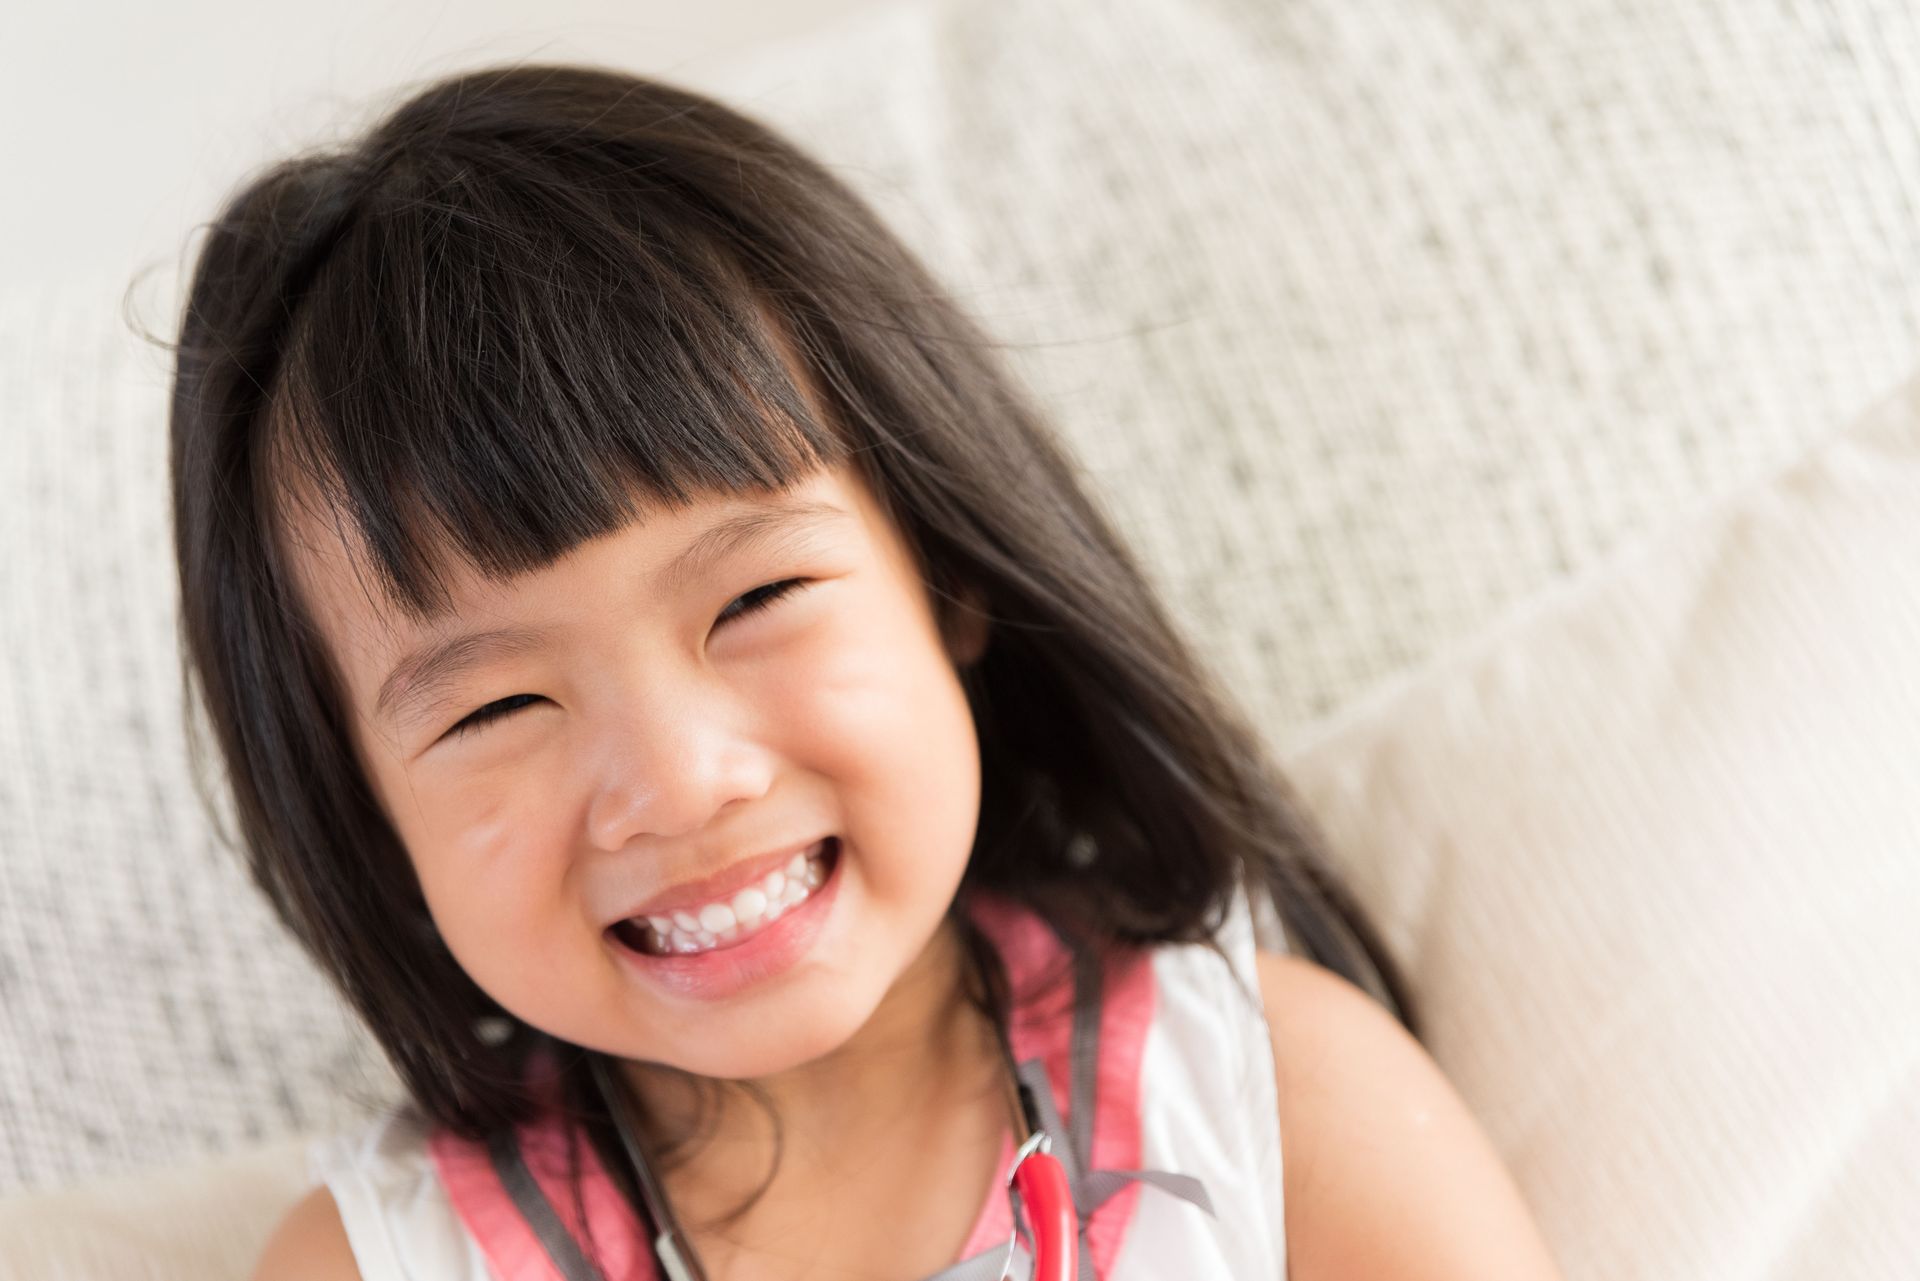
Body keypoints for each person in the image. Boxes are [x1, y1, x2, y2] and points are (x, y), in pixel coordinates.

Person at [165, 61, 1563, 1279]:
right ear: (361, 805)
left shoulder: (1273, 1096)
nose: (677, 780)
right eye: (498, 703)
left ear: (947, 576)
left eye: (759, 595)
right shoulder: (375, 1265)